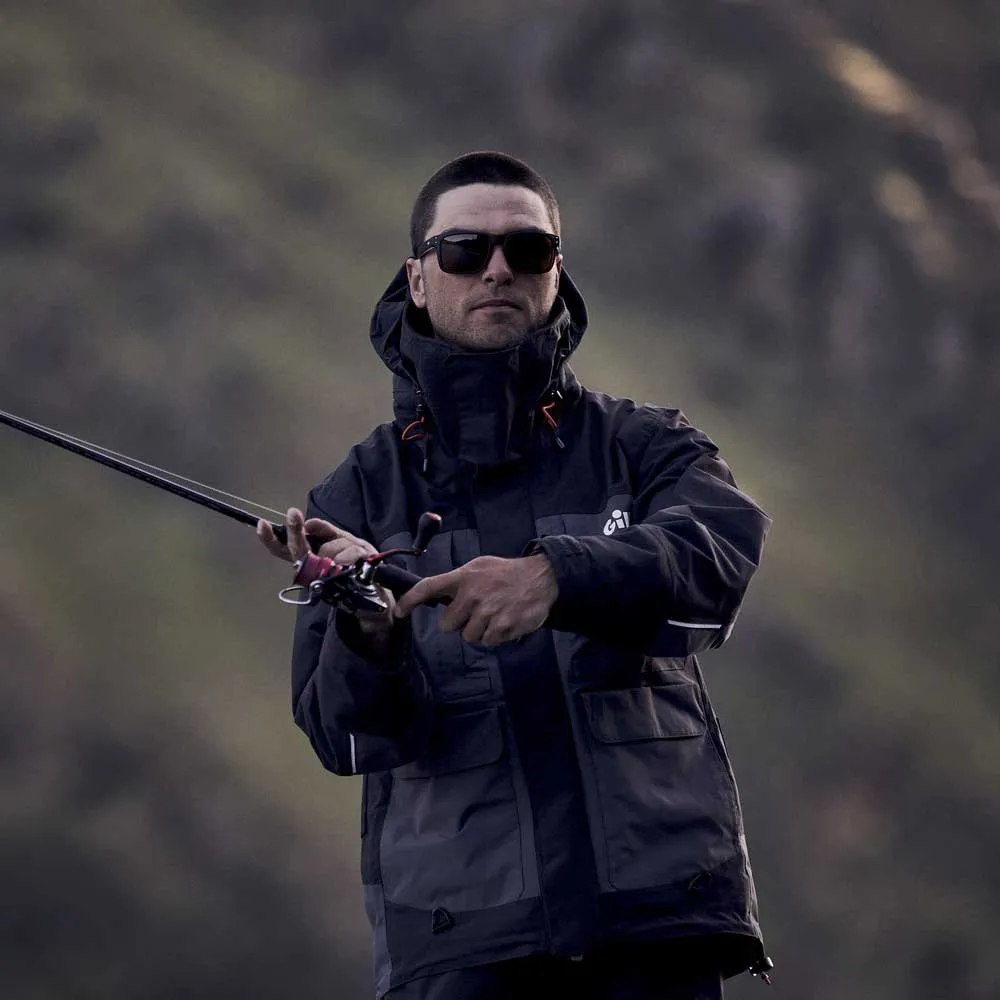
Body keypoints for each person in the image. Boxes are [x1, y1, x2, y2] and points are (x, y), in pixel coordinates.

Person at [257, 151, 773, 1000]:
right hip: (466, 946)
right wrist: (370, 634)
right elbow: (344, 739)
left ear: (555, 269)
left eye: (527, 249)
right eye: (465, 250)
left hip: (655, 934)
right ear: (418, 278)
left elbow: (719, 556)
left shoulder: (646, 445)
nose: (497, 269)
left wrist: (555, 577)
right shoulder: (353, 495)